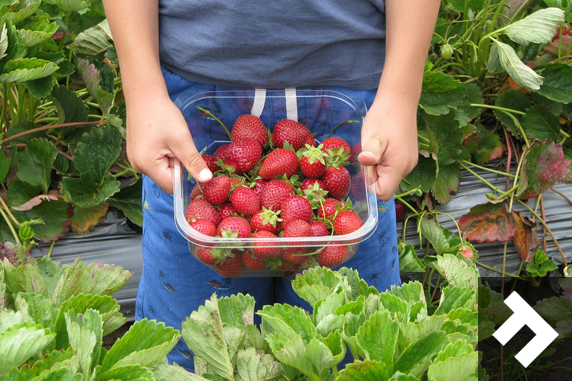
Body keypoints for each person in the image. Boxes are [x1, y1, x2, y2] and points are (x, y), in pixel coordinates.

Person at [102, 0, 440, 371]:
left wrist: (401, 94)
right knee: (191, 354)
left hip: (351, 108)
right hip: (191, 113)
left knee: (353, 355)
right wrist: (142, 90)